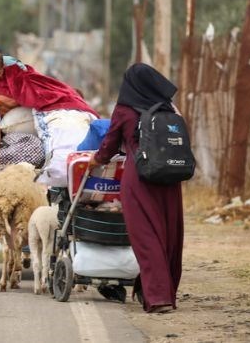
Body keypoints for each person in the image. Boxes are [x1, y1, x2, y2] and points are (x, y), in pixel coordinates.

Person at [88, 63, 184, 314]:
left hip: (140, 180)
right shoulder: (168, 107)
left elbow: (108, 146)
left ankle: (159, 297)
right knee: (168, 236)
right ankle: (161, 291)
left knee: (146, 237)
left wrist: (94, 161)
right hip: (170, 180)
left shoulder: (124, 109)